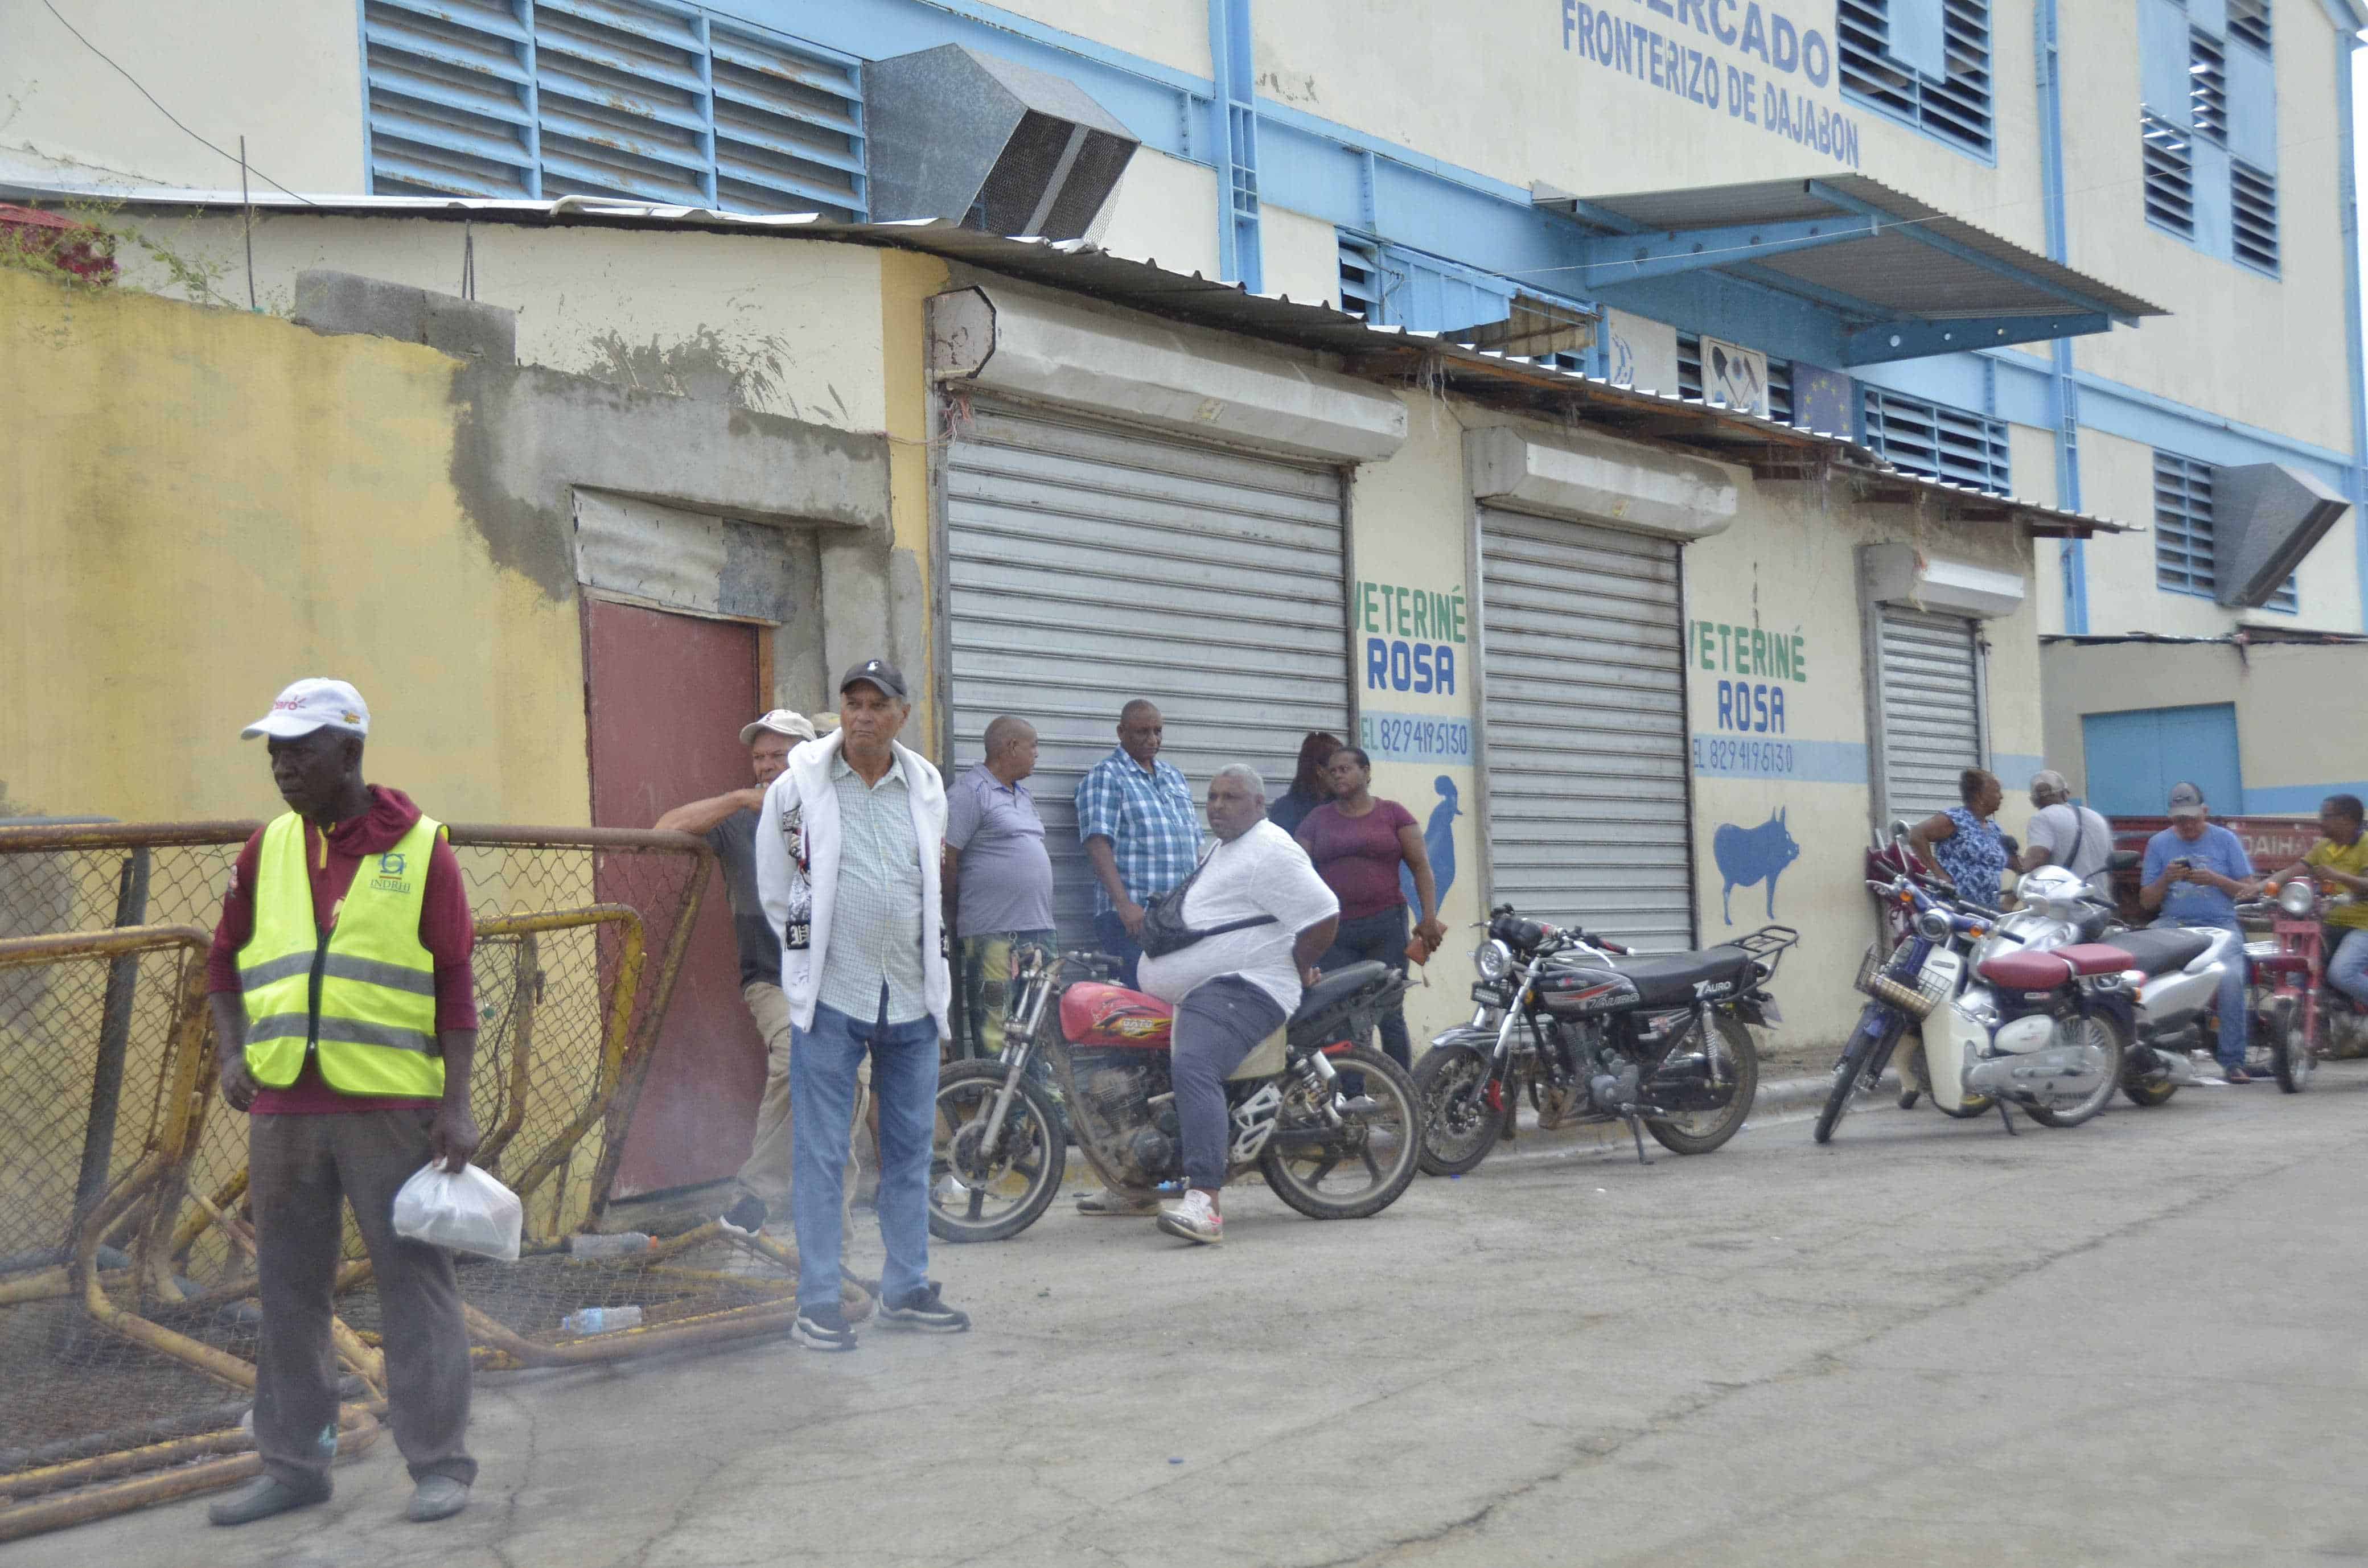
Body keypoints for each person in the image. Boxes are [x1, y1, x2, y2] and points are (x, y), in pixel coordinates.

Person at [203, 679, 479, 1527]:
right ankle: (294, 1462)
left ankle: (439, 1462)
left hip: (389, 1105)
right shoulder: (266, 849)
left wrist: (456, 1104)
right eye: (274, 750)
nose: (282, 765)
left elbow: (456, 979)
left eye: (301, 749)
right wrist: (232, 1051)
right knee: (288, 1288)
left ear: (351, 753)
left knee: (413, 1282)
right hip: (285, 1108)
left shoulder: (424, 849)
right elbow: (222, 961)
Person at [756, 659, 969, 1348]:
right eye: (853, 703)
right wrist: (801, 969)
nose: (863, 715)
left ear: (902, 714)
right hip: (833, 997)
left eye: (877, 704)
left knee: (909, 1153)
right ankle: (817, 1300)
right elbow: (777, 887)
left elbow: (930, 884)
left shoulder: (925, 785)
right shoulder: (796, 789)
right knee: (821, 1152)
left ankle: (906, 1287)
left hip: (909, 994)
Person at [1137, 766, 1339, 1246]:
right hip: (1209, 986)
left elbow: (1325, 913)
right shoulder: (1226, 846)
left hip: (1248, 985)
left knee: (1194, 1065)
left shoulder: (1271, 850)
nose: (1218, 805)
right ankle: (1132, 1184)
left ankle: (1205, 1201)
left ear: (1258, 805)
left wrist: (1297, 962)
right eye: (1211, 796)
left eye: (1231, 797)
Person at [652, 708, 831, 1238]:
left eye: (779, 754)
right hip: (773, 977)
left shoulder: (832, 808)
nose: (767, 766)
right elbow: (664, 829)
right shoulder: (739, 819)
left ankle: (830, 1240)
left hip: (838, 978)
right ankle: (757, 1198)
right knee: (795, 1060)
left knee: (849, 1094)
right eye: (759, 757)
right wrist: (737, 799)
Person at [1294, 747, 1448, 1070]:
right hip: (1334, 932)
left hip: (1385, 927)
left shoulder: (1393, 815)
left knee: (1390, 1012)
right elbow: (1294, 867)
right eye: (1332, 771)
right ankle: (1351, 1096)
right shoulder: (1317, 820)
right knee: (1339, 1013)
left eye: (1346, 768)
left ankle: (1401, 1089)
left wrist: (1429, 918)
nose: (1338, 775)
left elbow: (1422, 867)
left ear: (1366, 772)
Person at [945, 715, 1056, 1061]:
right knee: (996, 1033)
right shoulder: (969, 794)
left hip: (1038, 933)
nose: (1038, 754)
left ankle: (1035, 1114)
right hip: (994, 936)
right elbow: (945, 861)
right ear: (1010, 747)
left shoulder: (1023, 796)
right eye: (1033, 746)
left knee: (1038, 1031)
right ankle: (998, 1114)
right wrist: (957, 914)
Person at [1074, 699, 1200, 990]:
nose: (1153, 740)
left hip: (1177, 920)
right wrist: (1124, 906)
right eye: (1143, 732)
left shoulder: (1174, 776)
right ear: (1121, 732)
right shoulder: (1106, 777)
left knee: (1174, 1004)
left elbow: (1192, 843)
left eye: (1158, 731)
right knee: (1139, 1007)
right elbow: (1097, 844)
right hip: (1134, 920)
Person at [2140, 781, 2261, 1083]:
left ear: (2205, 812)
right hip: (2174, 925)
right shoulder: (2159, 844)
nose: (2188, 825)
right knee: (2144, 975)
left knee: (2231, 979)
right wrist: (2166, 879)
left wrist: (2216, 880)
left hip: (2220, 925)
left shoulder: (2225, 840)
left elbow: (2250, 891)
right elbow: (2146, 901)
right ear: (2172, 819)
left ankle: (2233, 1060)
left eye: (2193, 818)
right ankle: (2152, 1053)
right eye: (2181, 820)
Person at [2271, 793, 2368, 1009]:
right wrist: (2262, 887)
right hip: (2329, 925)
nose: (2320, 821)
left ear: (2347, 819)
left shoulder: (2366, 844)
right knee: (2299, 968)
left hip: (2363, 927)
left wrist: (2339, 876)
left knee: (2342, 974)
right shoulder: (2323, 847)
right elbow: (2294, 870)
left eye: (2326, 816)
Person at [1907, 768, 2010, 910]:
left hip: (1986, 910)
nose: (2001, 797)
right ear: (1980, 795)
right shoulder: (1956, 820)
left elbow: (2003, 861)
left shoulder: (1995, 829)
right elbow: (1917, 835)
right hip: (1955, 908)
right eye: (1996, 791)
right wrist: (1939, 873)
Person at [2021, 770, 2114, 882]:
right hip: (2099, 898)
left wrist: (2009, 898)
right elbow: (2110, 864)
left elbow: (2036, 861)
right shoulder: (2096, 818)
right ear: (2065, 794)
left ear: (2034, 801)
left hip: (2064, 897)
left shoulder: (2041, 818)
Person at [1267, 731, 1342, 839]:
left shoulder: (1346, 804)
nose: (1342, 775)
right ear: (1320, 770)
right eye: (1337, 769)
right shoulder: (1286, 809)